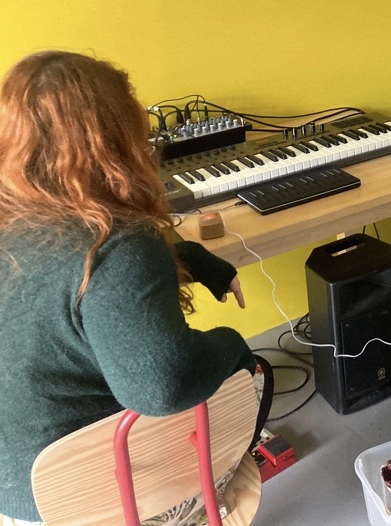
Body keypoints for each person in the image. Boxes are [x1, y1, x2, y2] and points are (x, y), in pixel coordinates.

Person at [0, 51, 260, 525]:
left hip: (14, 496)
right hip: (90, 502)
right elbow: (162, 387)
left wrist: (194, 260)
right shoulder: (119, 245)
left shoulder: (18, 223)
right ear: (114, 138)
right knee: (254, 380)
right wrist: (233, 346)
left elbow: (66, 276)